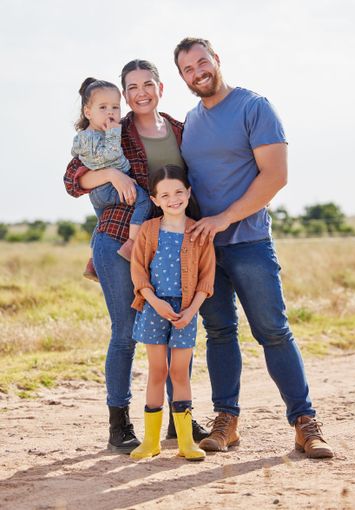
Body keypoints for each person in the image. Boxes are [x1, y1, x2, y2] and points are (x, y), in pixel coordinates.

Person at [173, 37, 333, 458]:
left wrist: (224, 218)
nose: (197, 73)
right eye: (187, 69)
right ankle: (227, 422)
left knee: (273, 331)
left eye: (202, 63)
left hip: (249, 243)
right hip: (206, 250)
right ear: (182, 77)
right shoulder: (189, 121)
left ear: (217, 61)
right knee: (220, 333)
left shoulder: (253, 106)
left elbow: (275, 175)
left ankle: (304, 423)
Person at [64, 60, 208, 454]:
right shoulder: (114, 127)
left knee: (175, 327)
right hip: (117, 239)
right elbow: (72, 178)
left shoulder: (181, 130)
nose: (140, 92)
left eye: (148, 84)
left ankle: (181, 420)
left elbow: (196, 181)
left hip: (171, 245)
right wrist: (112, 175)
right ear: (125, 95)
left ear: (161, 88)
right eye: (132, 87)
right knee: (125, 332)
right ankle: (119, 424)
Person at [129, 165, 215, 461]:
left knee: (180, 372)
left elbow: (206, 277)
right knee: (158, 371)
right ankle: (150, 441)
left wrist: (191, 310)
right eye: (165, 194)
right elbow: (138, 270)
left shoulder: (199, 231)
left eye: (179, 191)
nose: (173, 198)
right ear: (154, 199)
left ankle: (185, 441)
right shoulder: (150, 231)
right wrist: (155, 301)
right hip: (155, 308)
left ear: (188, 193)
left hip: (185, 312)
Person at [72, 77, 151, 280]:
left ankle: (92, 262)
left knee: (101, 223)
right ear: (88, 112)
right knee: (143, 200)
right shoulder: (90, 137)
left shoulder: (94, 135)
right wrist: (114, 134)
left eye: (115, 107)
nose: (110, 113)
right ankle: (132, 244)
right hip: (106, 188)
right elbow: (108, 156)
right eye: (103, 107)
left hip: (100, 193)